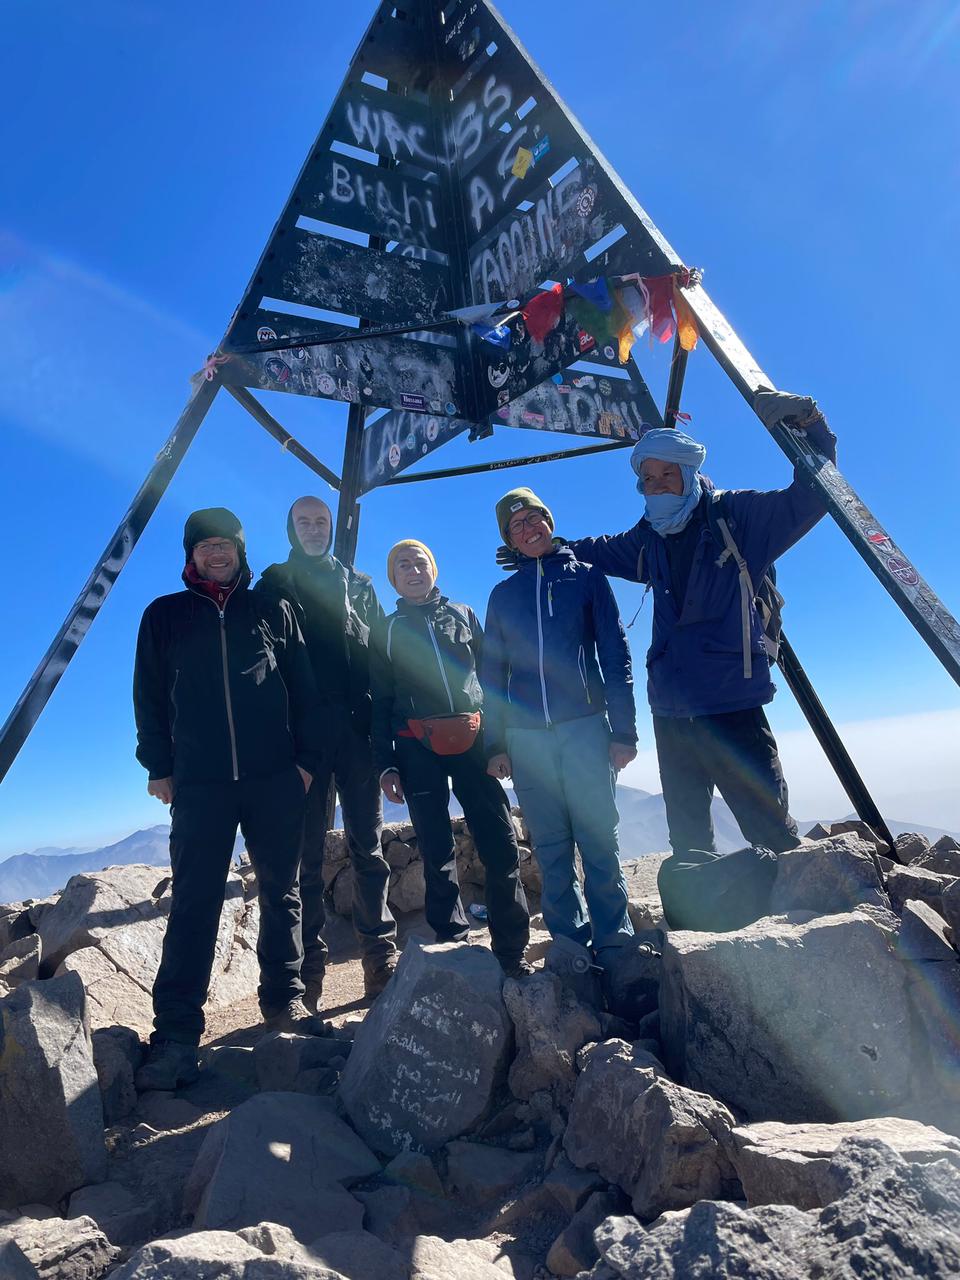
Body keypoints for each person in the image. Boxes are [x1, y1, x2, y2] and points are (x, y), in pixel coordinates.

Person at [563, 389, 837, 862]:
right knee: (688, 840)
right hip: (672, 711)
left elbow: (809, 497)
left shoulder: (736, 517)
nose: (658, 484)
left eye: (668, 473)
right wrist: (553, 548)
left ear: (687, 472)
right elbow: (599, 550)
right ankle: (705, 922)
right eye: (648, 479)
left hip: (731, 703)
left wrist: (812, 423)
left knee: (769, 828)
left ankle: (800, 919)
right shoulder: (648, 539)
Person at [133, 507, 328, 1091]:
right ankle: (174, 1035)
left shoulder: (273, 610)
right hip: (199, 783)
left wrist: (305, 765)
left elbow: (306, 692)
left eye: (227, 545)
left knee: (282, 892)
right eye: (206, 546)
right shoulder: (163, 616)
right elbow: (147, 697)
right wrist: (159, 767)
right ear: (191, 555)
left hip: (274, 778)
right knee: (194, 901)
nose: (217, 554)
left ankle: (284, 1006)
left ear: (241, 552)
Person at [482, 488, 637, 954]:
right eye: (517, 526)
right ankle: (570, 946)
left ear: (549, 521)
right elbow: (491, 675)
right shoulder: (503, 595)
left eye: (534, 519)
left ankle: (615, 944)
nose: (528, 530)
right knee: (550, 847)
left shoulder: (587, 578)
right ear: (508, 540)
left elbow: (615, 655)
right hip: (527, 740)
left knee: (599, 840)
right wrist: (496, 743)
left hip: (586, 728)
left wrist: (624, 730)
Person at [259, 496, 398, 1005]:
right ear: (291, 528)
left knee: (370, 847)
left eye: (322, 522)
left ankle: (379, 960)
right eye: (304, 521)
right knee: (307, 858)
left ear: (331, 528)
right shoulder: (275, 583)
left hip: (357, 735)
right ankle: (309, 972)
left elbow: (382, 657)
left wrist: (387, 737)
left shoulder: (359, 584)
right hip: (303, 743)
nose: (314, 529)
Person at [370, 539, 531, 976]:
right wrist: (385, 764)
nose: (413, 569)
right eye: (402, 565)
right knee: (436, 847)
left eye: (421, 561)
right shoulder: (385, 631)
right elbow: (379, 702)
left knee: (499, 841)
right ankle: (452, 940)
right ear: (393, 579)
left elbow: (494, 682)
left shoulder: (463, 615)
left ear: (434, 569)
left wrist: (500, 744)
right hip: (414, 744)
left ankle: (511, 950)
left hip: (475, 740)